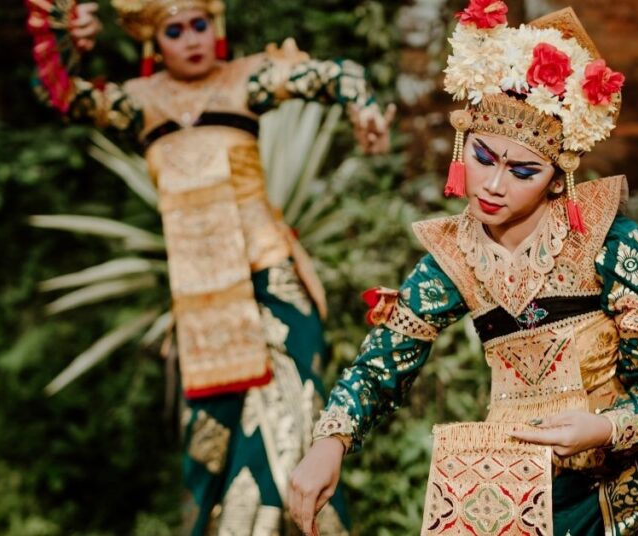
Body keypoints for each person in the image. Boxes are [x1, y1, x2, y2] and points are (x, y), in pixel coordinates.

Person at [288, 3, 638, 535]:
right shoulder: (453, 257)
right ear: (466, 144)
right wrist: (331, 441)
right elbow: (381, 364)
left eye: (522, 171)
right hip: (543, 456)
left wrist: (603, 427)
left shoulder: (610, 240)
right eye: (484, 158)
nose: (492, 185)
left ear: (558, 179)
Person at [24, 0, 395, 533]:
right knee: (209, 452)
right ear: (154, 40)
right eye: (175, 30)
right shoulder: (139, 102)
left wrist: (363, 108)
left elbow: (338, 73)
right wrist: (71, 44)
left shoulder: (246, 81)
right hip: (204, 308)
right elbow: (58, 93)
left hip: (272, 283)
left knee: (282, 433)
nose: (191, 38)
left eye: (200, 24)